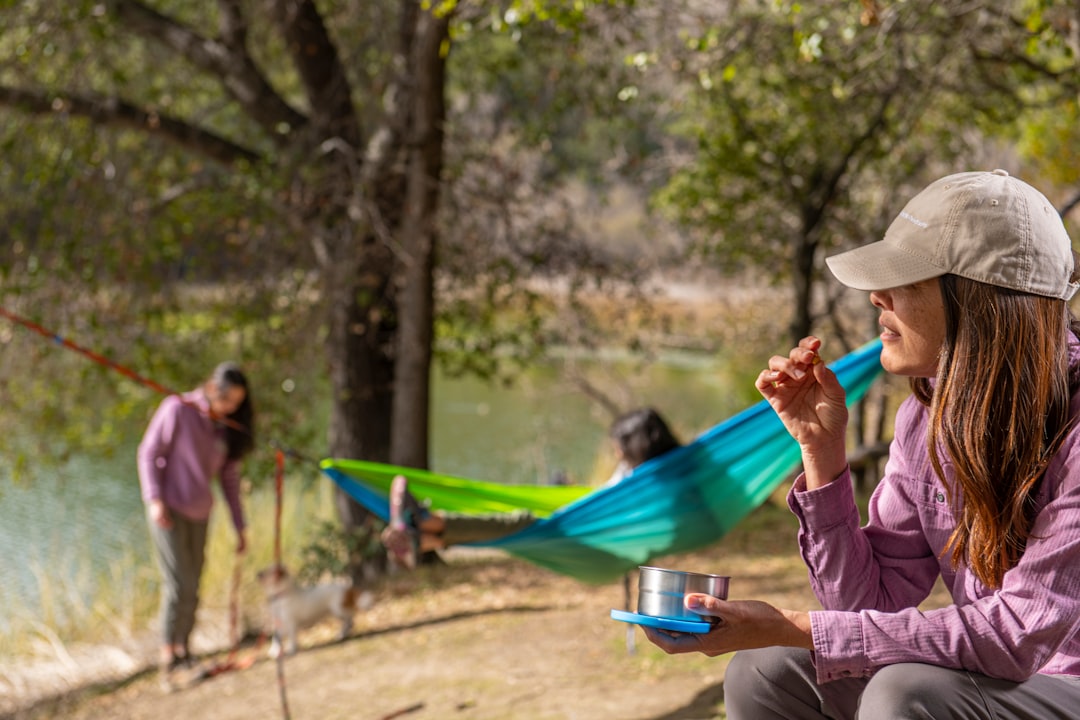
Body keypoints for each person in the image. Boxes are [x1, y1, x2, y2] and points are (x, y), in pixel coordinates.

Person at [642, 169, 1080, 719]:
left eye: (907, 279)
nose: (877, 295)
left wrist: (796, 625)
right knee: (768, 670)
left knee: (905, 693)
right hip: (1002, 684)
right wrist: (821, 456)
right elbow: (867, 605)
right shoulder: (926, 419)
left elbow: (1017, 634)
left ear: (977, 301)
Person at [381, 406, 681, 566]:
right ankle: (422, 537)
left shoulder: (653, 481)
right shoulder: (639, 472)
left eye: (620, 447)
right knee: (516, 529)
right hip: (585, 523)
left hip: (596, 537)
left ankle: (422, 525)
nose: (616, 453)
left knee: (521, 525)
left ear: (639, 445)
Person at [137, 361, 255, 690]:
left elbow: (229, 480)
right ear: (212, 387)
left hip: (200, 512)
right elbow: (148, 452)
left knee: (194, 584)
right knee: (178, 584)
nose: (231, 406)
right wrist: (155, 498)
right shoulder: (178, 409)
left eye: (237, 402)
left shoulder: (224, 428)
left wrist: (240, 526)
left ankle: (184, 650)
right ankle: (168, 657)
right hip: (169, 511)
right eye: (227, 398)